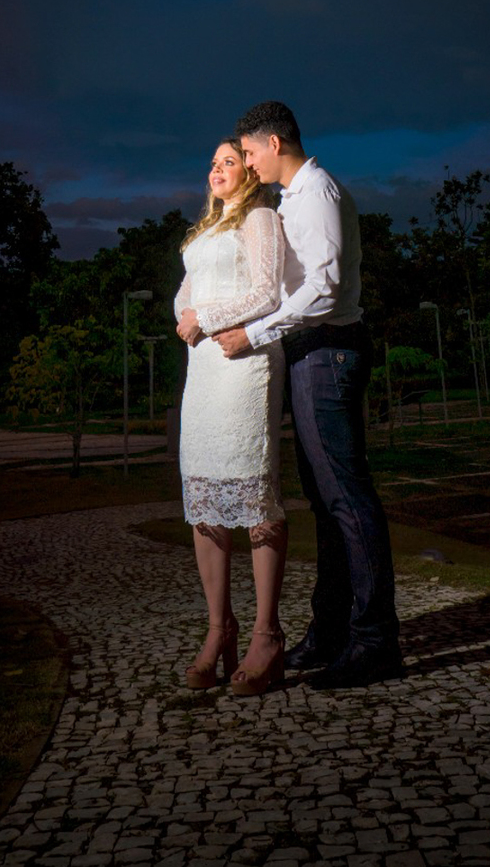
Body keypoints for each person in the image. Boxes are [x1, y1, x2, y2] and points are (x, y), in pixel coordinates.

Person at [216, 100, 402, 688]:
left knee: (347, 497)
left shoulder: (317, 190)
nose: (246, 162)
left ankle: (375, 640)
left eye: (248, 152)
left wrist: (256, 331)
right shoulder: (291, 199)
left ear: (273, 143)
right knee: (326, 503)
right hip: (309, 353)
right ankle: (332, 632)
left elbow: (322, 289)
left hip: (330, 349)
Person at [174, 137, 289, 695]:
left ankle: (266, 634)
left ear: (249, 170)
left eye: (228, 161)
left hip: (245, 363)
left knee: (252, 493)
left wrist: (209, 317)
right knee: (205, 499)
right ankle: (220, 630)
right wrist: (186, 318)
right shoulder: (202, 233)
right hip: (203, 372)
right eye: (212, 161)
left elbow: (269, 293)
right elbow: (184, 296)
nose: (216, 169)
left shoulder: (262, 218)